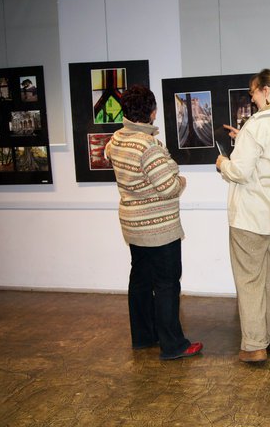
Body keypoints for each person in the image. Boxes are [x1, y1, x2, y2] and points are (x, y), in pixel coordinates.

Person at [105, 84, 203, 360]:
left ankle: (144, 336)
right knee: (166, 284)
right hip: (159, 228)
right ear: (152, 112)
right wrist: (179, 177)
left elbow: (110, 155)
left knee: (140, 280)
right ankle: (173, 345)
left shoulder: (116, 139)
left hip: (133, 225)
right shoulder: (149, 146)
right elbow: (169, 186)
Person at [216, 69, 270, 363]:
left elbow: (240, 172)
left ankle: (254, 345)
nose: (251, 98)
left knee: (249, 280)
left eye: (252, 92)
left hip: (250, 217)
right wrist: (244, 139)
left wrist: (223, 162)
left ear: (265, 90)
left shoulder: (256, 124)